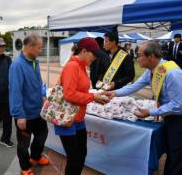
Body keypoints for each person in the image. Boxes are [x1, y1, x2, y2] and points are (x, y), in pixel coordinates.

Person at [105, 41, 182, 175]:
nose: (136, 58)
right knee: (171, 150)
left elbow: (178, 105)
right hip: (168, 115)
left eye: (139, 55)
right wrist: (115, 93)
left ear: (151, 56)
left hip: (178, 118)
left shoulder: (172, 73)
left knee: (176, 156)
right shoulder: (152, 71)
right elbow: (135, 85)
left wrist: (150, 112)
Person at [55, 37, 109, 175]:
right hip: (66, 118)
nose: (95, 58)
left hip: (77, 117)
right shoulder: (72, 66)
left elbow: (80, 91)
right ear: (84, 51)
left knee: (81, 154)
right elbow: (69, 94)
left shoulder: (81, 66)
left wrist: (94, 98)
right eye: (94, 54)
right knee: (74, 158)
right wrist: (92, 97)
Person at [9, 34, 49, 175]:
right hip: (24, 114)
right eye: (39, 48)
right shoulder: (17, 65)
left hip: (37, 110)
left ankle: (36, 157)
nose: (41, 51)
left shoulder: (34, 62)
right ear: (30, 46)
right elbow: (15, 92)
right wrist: (19, 115)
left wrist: (43, 94)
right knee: (23, 144)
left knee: (42, 134)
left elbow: (38, 83)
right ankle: (25, 167)